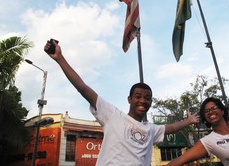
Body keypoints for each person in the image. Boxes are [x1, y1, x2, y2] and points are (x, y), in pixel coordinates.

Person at [44, 40, 199, 166]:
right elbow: (83, 88)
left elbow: (170, 128)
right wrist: (60, 59)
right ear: (129, 99)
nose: (142, 101)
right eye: (138, 96)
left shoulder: (151, 129)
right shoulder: (112, 115)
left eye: (147, 97)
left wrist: (190, 120)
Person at [167, 40, 229, 166]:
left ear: (222, 110)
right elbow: (181, 160)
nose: (211, 112)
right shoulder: (209, 141)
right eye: (206, 111)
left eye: (214, 108)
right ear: (205, 117)